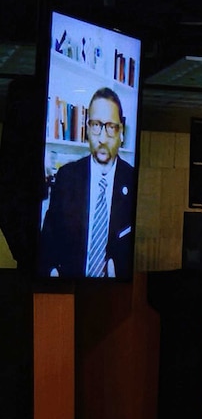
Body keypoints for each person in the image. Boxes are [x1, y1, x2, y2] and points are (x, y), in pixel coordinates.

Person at [39, 87, 135, 278]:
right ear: (87, 129)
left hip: (114, 295)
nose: (102, 137)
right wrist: (50, 271)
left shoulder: (132, 180)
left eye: (110, 127)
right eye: (96, 125)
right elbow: (47, 239)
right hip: (68, 284)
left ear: (121, 133)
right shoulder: (67, 176)